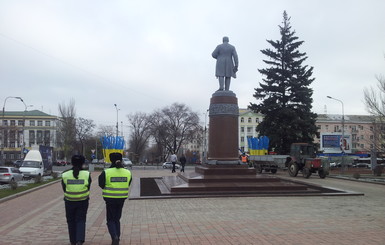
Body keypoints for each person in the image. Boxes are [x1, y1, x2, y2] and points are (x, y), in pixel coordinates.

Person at [98, 152, 132, 245]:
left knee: (110, 220)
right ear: (121, 160)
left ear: (110, 160)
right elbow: (128, 183)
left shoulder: (106, 172)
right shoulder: (127, 172)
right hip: (121, 198)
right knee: (117, 219)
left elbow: (101, 184)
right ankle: (117, 236)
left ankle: (114, 237)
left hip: (110, 199)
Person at [61, 155, 92, 245]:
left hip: (69, 201)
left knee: (70, 221)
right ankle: (80, 240)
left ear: (72, 162)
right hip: (83, 201)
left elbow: (64, 188)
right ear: (82, 163)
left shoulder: (65, 174)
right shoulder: (86, 174)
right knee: (81, 220)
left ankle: (73, 241)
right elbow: (88, 187)